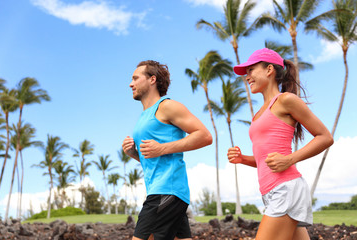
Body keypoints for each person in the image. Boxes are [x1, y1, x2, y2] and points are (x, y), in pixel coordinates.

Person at [227, 48, 334, 240]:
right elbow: (266, 159)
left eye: (251, 70)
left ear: (269, 69)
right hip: (271, 191)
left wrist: (290, 159)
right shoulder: (258, 114)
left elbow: (325, 137)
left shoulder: (285, 100)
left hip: (285, 188)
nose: (247, 77)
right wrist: (243, 159)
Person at [122, 60, 212, 240]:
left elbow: (204, 135)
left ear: (152, 79)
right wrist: (134, 153)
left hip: (166, 191)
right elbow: (155, 156)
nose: (130, 84)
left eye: (135, 78)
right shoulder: (144, 116)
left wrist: (161, 148)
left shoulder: (167, 106)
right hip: (165, 191)